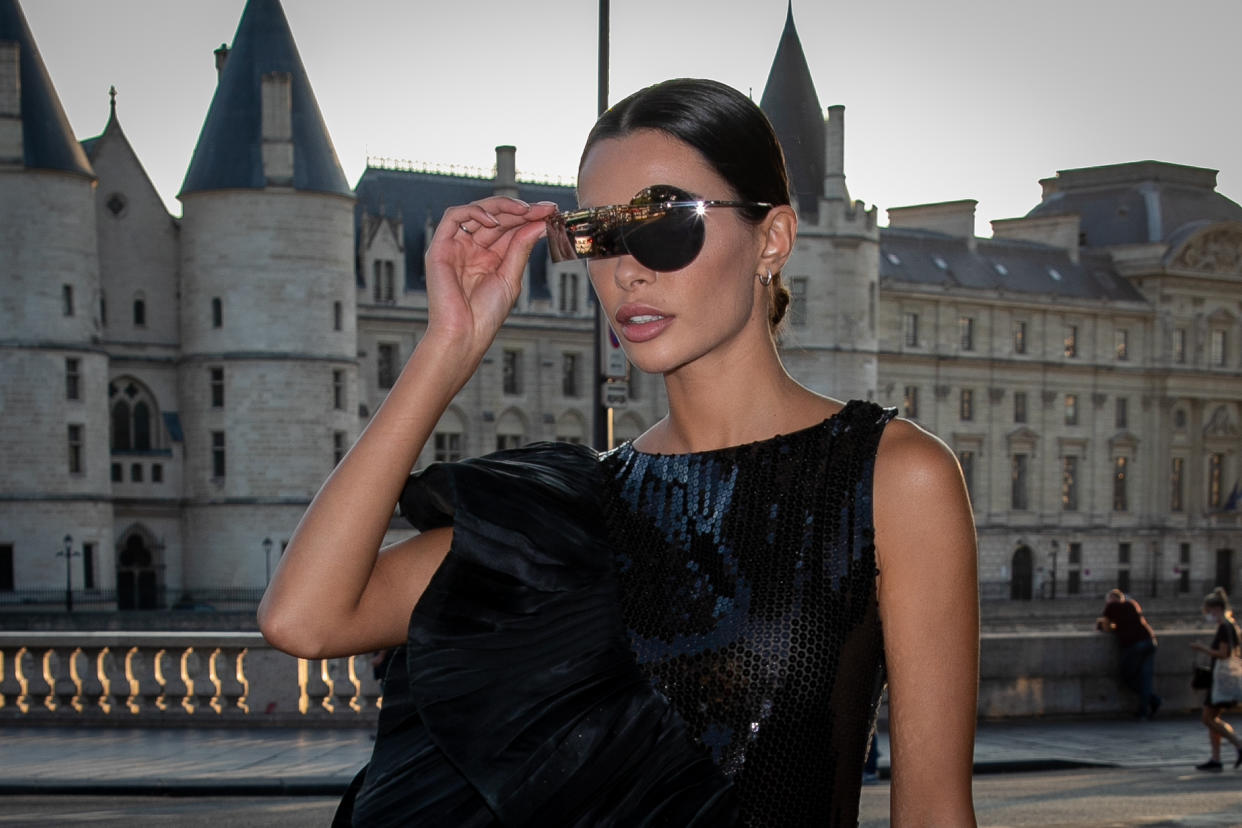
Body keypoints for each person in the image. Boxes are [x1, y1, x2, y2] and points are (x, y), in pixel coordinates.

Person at [258, 78, 978, 826]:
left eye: (665, 222)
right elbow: (306, 618)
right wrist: (449, 345)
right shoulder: (566, 517)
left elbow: (932, 809)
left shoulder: (892, 476)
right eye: (599, 235)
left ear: (773, 240)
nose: (626, 268)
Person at [1189, 587, 1242, 771]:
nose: (1208, 614)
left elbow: (1223, 653)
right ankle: (1216, 759)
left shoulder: (1225, 627)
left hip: (1221, 680)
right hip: (1222, 679)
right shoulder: (1231, 625)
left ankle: (1239, 745)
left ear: (1217, 608)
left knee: (1207, 718)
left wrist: (1201, 648)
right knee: (1212, 718)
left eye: (1208, 610)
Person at [1094, 588, 1162, 719]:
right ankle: (1144, 711)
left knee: (1126, 676)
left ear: (1111, 599)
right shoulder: (1132, 604)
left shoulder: (1111, 606)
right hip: (1150, 641)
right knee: (1145, 679)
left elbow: (1107, 627)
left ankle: (1153, 701)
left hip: (1134, 645)